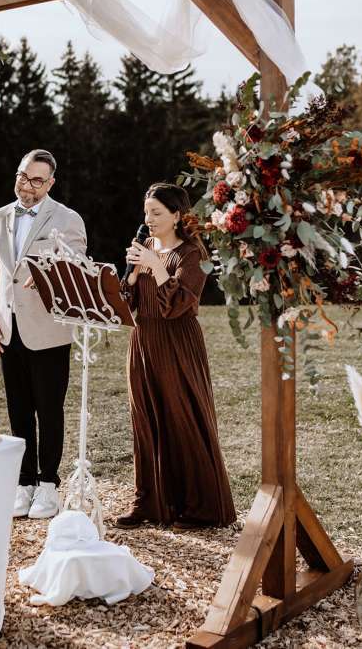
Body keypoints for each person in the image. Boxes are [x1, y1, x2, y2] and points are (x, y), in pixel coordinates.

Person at [117, 183, 236, 529]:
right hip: (143, 339)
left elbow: (180, 304)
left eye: (156, 213)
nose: (148, 219)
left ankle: (201, 508)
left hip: (177, 342)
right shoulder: (145, 248)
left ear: (177, 216)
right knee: (146, 420)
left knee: (183, 419)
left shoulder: (192, 254)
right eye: (146, 213)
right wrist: (133, 274)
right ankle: (149, 502)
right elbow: (127, 303)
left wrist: (156, 265)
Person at [0, 149, 87, 520]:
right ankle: (24, 483)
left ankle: (48, 484)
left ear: (50, 183)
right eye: (23, 177)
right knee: (18, 409)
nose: (27, 185)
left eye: (37, 180)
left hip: (48, 330)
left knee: (49, 409)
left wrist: (49, 273)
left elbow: (77, 264)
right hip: (7, 327)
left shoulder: (68, 219)